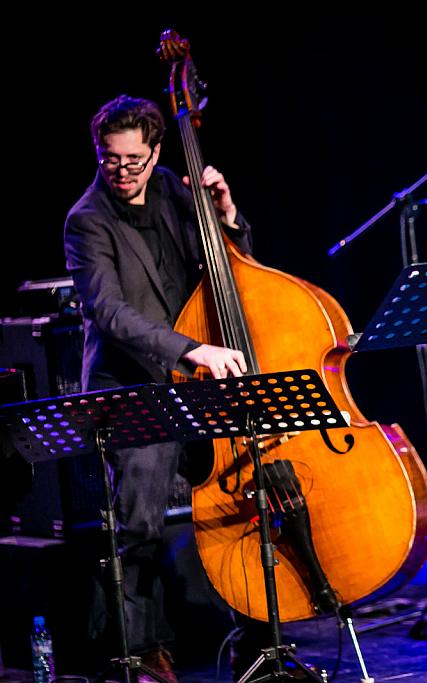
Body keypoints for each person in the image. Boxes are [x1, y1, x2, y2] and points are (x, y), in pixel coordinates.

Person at [64, 95, 252, 681]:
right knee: (140, 524)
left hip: (197, 378)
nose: (121, 171)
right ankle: (146, 652)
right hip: (133, 386)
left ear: (156, 150)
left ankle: (254, 638)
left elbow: (233, 269)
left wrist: (225, 215)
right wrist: (191, 350)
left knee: (240, 503)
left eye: (133, 160)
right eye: (110, 159)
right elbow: (110, 313)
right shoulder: (86, 220)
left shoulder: (173, 187)